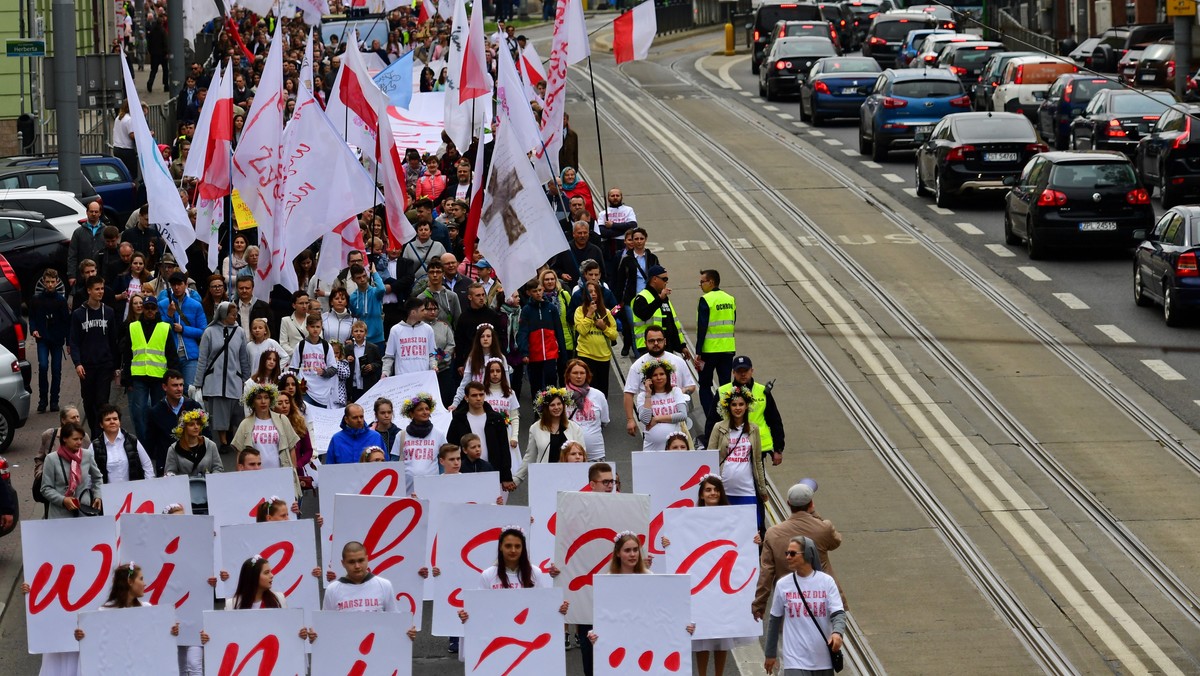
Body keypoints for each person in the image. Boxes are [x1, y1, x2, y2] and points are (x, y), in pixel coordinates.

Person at [755, 482, 844, 624]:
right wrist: (813, 515)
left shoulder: (773, 534)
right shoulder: (823, 527)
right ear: (811, 504)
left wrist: (759, 603)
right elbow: (836, 542)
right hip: (823, 599)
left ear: (788, 504)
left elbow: (767, 572)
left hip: (792, 603)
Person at [763, 536, 845, 676]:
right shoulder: (783, 585)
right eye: (787, 553)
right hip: (794, 659)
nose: (788, 557)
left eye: (793, 553)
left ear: (807, 555)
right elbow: (774, 620)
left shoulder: (826, 582)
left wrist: (837, 632)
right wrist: (770, 654)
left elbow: (838, 613)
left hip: (822, 659)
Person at [709, 386, 767, 531]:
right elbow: (709, 457)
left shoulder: (754, 429)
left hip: (747, 490)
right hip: (724, 490)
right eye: (734, 405)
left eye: (741, 404)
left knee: (749, 530)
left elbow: (758, 460)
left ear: (747, 406)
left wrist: (762, 488)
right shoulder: (718, 427)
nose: (737, 408)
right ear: (728, 407)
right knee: (725, 530)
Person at [195, 302, 252, 448]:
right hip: (215, 380)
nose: (235, 317)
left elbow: (243, 357)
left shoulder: (239, 332)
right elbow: (203, 359)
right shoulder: (209, 332)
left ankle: (231, 435)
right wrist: (198, 383)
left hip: (234, 379)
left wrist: (246, 378)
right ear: (223, 315)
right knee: (219, 412)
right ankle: (223, 441)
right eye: (232, 314)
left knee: (236, 412)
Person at [121, 294, 177, 441]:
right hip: (138, 377)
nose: (150, 311)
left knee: (159, 412)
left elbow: (171, 355)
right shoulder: (133, 327)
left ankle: (157, 443)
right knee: (139, 413)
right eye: (147, 308)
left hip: (159, 377)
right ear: (143, 309)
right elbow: (127, 354)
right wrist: (126, 379)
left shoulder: (165, 328)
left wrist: (173, 378)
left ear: (157, 309)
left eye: (152, 308)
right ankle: (144, 445)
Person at [712, 356, 786, 466]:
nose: (743, 374)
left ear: (752, 371)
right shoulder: (722, 392)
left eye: (745, 371)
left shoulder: (762, 392)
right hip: (731, 447)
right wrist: (711, 451)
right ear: (733, 372)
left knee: (757, 481)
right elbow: (712, 421)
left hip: (757, 447)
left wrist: (778, 449)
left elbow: (775, 421)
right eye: (739, 371)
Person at [70, 276, 119, 441]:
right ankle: (93, 430)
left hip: (104, 365)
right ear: (89, 290)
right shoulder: (78, 314)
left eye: (102, 289)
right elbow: (74, 342)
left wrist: (116, 366)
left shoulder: (109, 312)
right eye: (97, 289)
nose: (100, 292)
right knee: (88, 403)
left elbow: (114, 341)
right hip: (87, 366)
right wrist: (77, 363)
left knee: (101, 401)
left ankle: (100, 438)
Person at [446, 382, 515, 492]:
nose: (478, 398)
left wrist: (506, 476)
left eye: (481, 395)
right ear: (466, 398)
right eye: (474, 395)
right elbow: (451, 445)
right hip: (466, 473)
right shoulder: (458, 419)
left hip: (492, 471)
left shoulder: (496, 418)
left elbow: (504, 448)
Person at [232, 383, 301, 491]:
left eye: (266, 398)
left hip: (280, 475)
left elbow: (292, 447)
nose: (263, 401)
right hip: (255, 478)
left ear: (271, 400)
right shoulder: (245, 423)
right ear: (252, 402)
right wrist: (240, 478)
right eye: (259, 398)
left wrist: (293, 472)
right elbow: (240, 453)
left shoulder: (282, 419)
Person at [513, 387, 585, 487]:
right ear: (546, 408)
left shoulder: (575, 428)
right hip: (545, 479)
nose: (556, 407)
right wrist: (517, 478)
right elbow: (530, 456)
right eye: (552, 405)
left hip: (569, 479)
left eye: (559, 404)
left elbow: (583, 455)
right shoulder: (535, 428)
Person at [695, 269, 736, 423]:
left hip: (709, 350)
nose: (700, 285)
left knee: (705, 385)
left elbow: (702, 327)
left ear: (711, 282)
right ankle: (727, 417)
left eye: (702, 282)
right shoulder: (730, 299)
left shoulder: (706, 300)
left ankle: (712, 418)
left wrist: (698, 352)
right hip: (727, 349)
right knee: (726, 385)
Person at [145, 369, 204, 476]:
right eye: (175, 385)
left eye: (181, 385)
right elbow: (150, 443)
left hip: (192, 465)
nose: (179, 389)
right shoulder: (156, 412)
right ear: (164, 387)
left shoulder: (194, 407)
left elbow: (205, 435)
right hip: (167, 467)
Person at [40, 421, 103, 518]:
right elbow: (45, 489)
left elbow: (97, 478)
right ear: (64, 438)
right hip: (60, 514)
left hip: (84, 511)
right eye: (75, 439)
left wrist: (97, 495)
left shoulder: (87, 455)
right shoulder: (51, 459)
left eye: (81, 439)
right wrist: (63, 500)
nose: (79, 442)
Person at [631, 264, 693, 362]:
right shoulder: (641, 297)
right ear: (654, 279)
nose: (666, 282)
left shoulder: (663, 298)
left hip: (665, 348)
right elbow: (643, 314)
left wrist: (681, 346)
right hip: (649, 348)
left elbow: (671, 324)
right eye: (664, 279)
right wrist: (659, 299)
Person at [30, 267, 70, 413]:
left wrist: (68, 341)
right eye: (47, 282)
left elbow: (66, 321)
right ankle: (42, 400)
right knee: (43, 366)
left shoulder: (61, 301)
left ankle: (54, 400)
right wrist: (33, 330)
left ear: (57, 282)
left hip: (57, 340)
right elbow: (32, 317)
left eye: (52, 282)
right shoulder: (36, 299)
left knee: (56, 370)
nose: (50, 285)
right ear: (43, 282)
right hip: (42, 339)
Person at [517, 278, 565, 393]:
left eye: (539, 290)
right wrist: (524, 352)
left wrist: (562, 353)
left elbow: (559, 331)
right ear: (529, 293)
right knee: (536, 384)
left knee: (552, 382)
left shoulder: (551, 308)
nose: (538, 293)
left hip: (551, 353)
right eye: (535, 291)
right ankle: (538, 410)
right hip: (534, 354)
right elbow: (523, 332)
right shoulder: (526, 310)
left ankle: (551, 408)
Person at [159, 271, 207, 387]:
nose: (176, 287)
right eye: (173, 285)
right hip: (170, 356)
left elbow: (203, 331)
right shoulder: (162, 304)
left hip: (190, 355)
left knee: (189, 389)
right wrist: (169, 315)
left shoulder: (196, 305)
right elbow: (160, 331)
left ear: (185, 285)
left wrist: (184, 329)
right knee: (171, 390)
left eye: (179, 284)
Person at [572, 280, 617, 398]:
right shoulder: (579, 311)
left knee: (602, 393)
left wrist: (604, 327)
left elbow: (614, 335)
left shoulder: (606, 312)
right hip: (586, 355)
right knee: (587, 392)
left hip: (603, 357)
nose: (593, 294)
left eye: (596, 291)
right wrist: (589, 314)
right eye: (590, 291)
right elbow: (581, 330)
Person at [393, 393, 446, 492]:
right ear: (411, 414)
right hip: (407, 488)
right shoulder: (401, 435)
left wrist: (441, 483)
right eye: (420, 409)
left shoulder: (439, 434)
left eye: (427, 409)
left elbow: (443, 461)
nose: (425, 412)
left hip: (433, 488)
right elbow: (394, 462)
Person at [635, 359, 690, 451]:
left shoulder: (675, 391)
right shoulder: (642, 396)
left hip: (674, 447)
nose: (659, 377)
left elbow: (683, 415)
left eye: (662, 374)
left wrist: (657, 419)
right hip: (652, 448)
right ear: (649, 378)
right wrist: (648, 394)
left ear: (667, 376)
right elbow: (645, 420)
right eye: (655, 375)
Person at [450, 322, 507, 408]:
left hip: (495, 401)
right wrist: (455, 403)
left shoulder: (501, 358)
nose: (485, 339)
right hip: (476, 400)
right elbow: (465, 383)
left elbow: (506, 383)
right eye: (482, 336)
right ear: (478, 339)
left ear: (493, 338)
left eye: (488, 336)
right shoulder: (472, 358)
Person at [92, 404, 153, 483]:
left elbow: (147, 465)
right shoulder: (94, 446)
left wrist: (147, 486)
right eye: (107, 419)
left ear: (119, 422)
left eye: (115, 419)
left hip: (134, 492)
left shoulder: (132, 440)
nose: (112, 422)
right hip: (107, 493)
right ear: (101, 424)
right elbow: (89, 474)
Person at [289, 314, 338, 409]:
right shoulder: (301, 345)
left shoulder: (326, 346)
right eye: (312, 326)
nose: (315, 329)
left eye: (318, 327)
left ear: (321, 328)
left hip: (322, 391)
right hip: (305, 389)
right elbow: (293, 368)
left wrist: (324, 372)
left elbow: (333, 368)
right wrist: (296, 385)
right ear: (307, 327)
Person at [564, 359, 609, 461]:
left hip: (595, 454)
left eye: (582, 373)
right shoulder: (561, 396)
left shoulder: (598, 395)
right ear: (568, 375)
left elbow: (604, 421)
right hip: (569, 457)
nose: (579, 376)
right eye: (575, 373)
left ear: (587, 375)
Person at [384, 298, 438, 376]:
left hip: (423, 378)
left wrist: (433, 366)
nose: (425, 312)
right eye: (422, 310)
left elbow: (432, 354)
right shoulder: (396, 330)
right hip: (403, 379)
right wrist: (385, 372)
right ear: (413, 312)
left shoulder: (428, 329)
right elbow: (389, 356)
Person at [164, 408, 223, 477]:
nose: (196, 427)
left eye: (198, 424)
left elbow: (218, 468)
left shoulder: (210, 445)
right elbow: (170, 473)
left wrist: (210, 480)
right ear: (184, 428)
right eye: (191, 425)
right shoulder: (173, 449)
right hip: (184, 486)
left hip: (206, 485)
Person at [344, 320, 382, 402]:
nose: (358, 333)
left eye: (361, 331)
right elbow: (342, 362)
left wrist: (372, 366)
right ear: (352, 333)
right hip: (353, 384)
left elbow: (379, 363)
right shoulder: (347, 348)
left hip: (368, 383)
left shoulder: (373, 348)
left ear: (366, 333)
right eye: (356, 331)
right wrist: (346, 360)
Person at [278, 290, 311, 361]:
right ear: (294, 305)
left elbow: (319, 339)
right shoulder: (286, 320)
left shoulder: (313, 319)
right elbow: (283, 343)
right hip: (292, 360)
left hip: (311, 359)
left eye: (307, 303)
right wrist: (297, 353)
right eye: (301, 303)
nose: (304, 306)